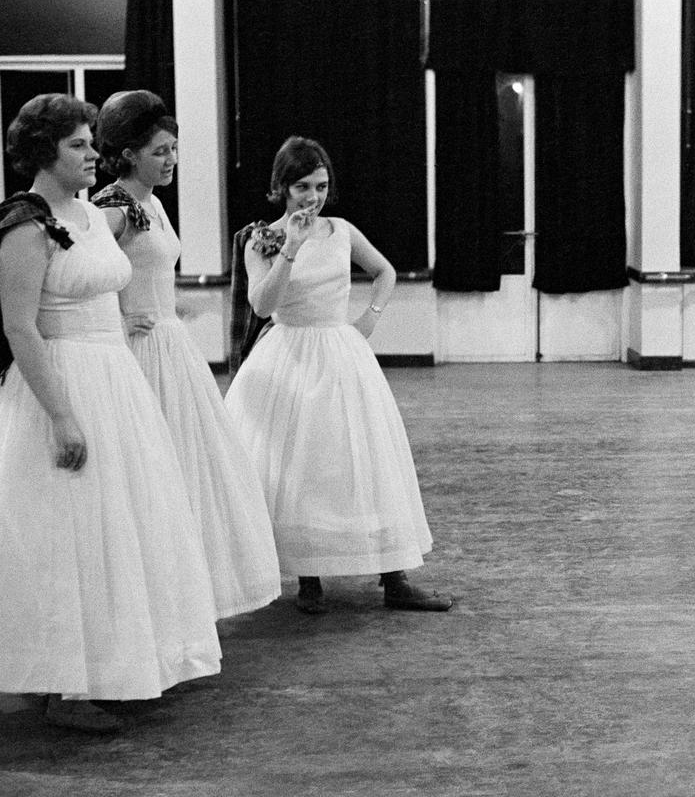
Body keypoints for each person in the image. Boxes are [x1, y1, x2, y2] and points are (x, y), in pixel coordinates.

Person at [0, 94, 221, 732]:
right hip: (63, 384)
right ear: (44, 153)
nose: (93, 153)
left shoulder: (94, 217)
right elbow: (20, 328)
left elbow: (100, 285)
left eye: (93, 141)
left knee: (122, 524)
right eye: (79, 144)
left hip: (115, 377)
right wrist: (63, 417)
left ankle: (112, 664)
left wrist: (127, 318)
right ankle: (67, 683)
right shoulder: (24, 224)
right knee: (68, 532)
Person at [225, 136, 451, 615]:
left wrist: (369, 315)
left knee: (363, 459)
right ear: (282, 188)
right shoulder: (262, 238)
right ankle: (308, 577)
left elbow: (384, 271)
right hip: (288, 354)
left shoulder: (342, 231)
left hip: (340, 351)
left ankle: (394, 575)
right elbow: (262, 305)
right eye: (303, 186)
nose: (313, 197)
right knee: (300, 466)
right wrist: (290, 247)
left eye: (321, 186)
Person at [91, 90, 281, 619]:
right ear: (128, 153)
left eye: (174, 149)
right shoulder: (111, 208)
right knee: (155, 475)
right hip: (139, 353)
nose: (172, 159)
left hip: (171, 347)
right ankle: (154, 604)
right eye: (161, 151)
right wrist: (119, 319)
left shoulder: (150, 200)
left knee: (191, 471)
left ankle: (186, 598)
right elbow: (80, 278)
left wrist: (167, 302)